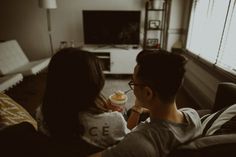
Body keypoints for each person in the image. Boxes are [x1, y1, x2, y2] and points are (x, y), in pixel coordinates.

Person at [89, 49, 202, 157]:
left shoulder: (138, 143)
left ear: (148, 93)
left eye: (134, 83)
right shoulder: (192, 115)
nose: (133, 88)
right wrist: (138, 108)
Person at [36, 48, 131, 156]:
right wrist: (117, 114)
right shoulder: (115, 120)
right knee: (130, 111)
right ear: (95, 81)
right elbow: (129, 147)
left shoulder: (42, 112)